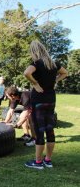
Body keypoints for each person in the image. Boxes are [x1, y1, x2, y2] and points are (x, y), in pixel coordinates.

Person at [24, 40, 68, 169]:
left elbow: (27, 73)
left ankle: (38, 162)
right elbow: (65, 73)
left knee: (39, 130)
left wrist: (35, 84)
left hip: (39, 100)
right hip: (51, 99)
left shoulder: (36, 63)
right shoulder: (54, 64)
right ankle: (48, 160)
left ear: (34, 51)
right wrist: (55, 80)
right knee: (50, 130)